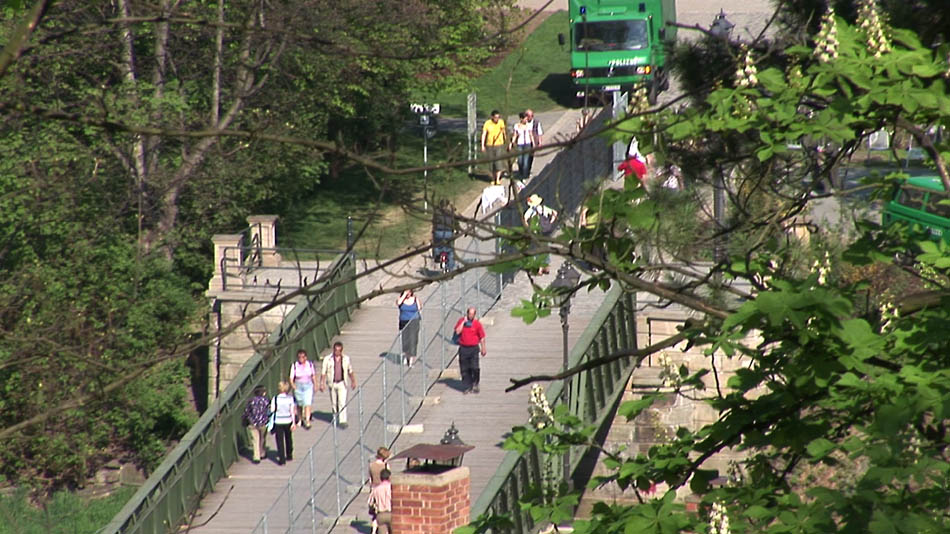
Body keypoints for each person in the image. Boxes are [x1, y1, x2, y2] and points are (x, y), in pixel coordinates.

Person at [319, 341, 358, 428]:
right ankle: (335, 418)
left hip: (342, 383)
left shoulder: (346, 359)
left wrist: (353, 381)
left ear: (341, 351)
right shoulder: (327, 359)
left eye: (338, 350)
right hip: (332, 383)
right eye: (335, 350)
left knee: (342, 402)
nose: (337, 352)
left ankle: (342, 420)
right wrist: (322, 383)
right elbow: (323, 372)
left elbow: (350, 370)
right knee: (334, 402)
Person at [523, 194, 558, 275]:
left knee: (537, 249)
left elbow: (525, 219)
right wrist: (550, 222)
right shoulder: (543, 208)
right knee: (546, 248)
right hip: (545, 232)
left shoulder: (531, 210)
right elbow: (555, 213)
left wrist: (529, 228)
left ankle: (539, 269)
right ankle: (546, 267)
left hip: (537, 233)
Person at [454, 307, 487, 394]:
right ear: (467, 314)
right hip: (464, 348)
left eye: (473, 314)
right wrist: (463, 323)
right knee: (464, 369)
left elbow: (482, 337)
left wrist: (483, 348)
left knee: (475, 367)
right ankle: (468, 385)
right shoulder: (461, 321)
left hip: (473, 348)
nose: (471, 316)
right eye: (470, 314)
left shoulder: (477, 324)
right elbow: (457, 332)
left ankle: (475, 383)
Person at [271, 381, 298, 465]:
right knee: (288, 437)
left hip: (278, 421)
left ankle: (282, 459)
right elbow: (292, 411)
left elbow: (272, 410)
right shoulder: (290, 398)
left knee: (279, 440)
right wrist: (293, 422)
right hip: (288, 420)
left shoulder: (275, 398)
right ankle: (289, 454)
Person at [242, 385, 270, 464]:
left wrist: (245, 419)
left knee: (255, 439)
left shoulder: (251, 401)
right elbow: (270, 410)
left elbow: (247, 411)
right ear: (263, 393)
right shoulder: (266, 401)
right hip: (263, 422)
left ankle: (256, 456)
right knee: (262, 438)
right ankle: (262, 452)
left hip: (253, 422)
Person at [289, 349, 316, 429]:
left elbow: (313, 375)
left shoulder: (310, 365)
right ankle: (300, 419)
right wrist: (293, 385)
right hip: (298, 385)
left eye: (303, 357)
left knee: (307, 403)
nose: (301, 359)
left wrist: (315, 384)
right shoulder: (294, 365)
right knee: (299, 404)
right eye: (299, 357)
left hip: (308, 385)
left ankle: (307, 420)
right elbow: (291, 377)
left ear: (305, 357)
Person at [368, 447, 392, 534]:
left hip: (375, 489)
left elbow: (370, 479)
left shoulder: (371, 465)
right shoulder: (385, 466)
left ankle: (374, 531)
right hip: (385, 490)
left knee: (375, 514)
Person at [481, 110, 508, 185]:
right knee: (491, 162)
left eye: (498, 117)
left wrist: (506, 142)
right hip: (490, 145)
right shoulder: (487, 123)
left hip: (499, 144)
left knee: (498, 162)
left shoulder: (501, 122)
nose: (497, 119)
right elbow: (484, 134)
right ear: (492, 117)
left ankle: (498, 179)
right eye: (495, 117)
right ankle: (493, 178)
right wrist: (482, 145)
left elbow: (504, 132)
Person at [396, 289, 422, 367]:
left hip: (414, 320)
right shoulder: (400, 299)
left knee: (413, 340)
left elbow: (420, 307)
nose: (408, 294)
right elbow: (398, 303)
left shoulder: (415, 299)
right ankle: (406, 355)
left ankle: (411, 360)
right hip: (404, 321)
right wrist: (404, 295)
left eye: (409, 292)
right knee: (405, 339)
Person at [509, 112, 533, 180]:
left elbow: (531, 135)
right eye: (525, 119)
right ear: (521, 119)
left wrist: (533, 144)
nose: (526, 120)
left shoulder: (529, 125)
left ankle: (524, 176)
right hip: (520, 144)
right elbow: (515, 135)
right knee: (520, 160)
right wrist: (511, 143)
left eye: (527, 119)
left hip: (527, 144)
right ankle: (521, 172)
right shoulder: (516, 126)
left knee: (526, 161)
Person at [524, 109, 543, 177]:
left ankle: (527, 170)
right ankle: (524, 169)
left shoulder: (536, 122)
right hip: (524, 142)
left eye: (531, 115)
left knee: (530, 157)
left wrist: (540, 142)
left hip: (533, 143)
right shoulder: (523, 122)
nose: (530, 117)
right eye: (528, 115)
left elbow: (540, 133)